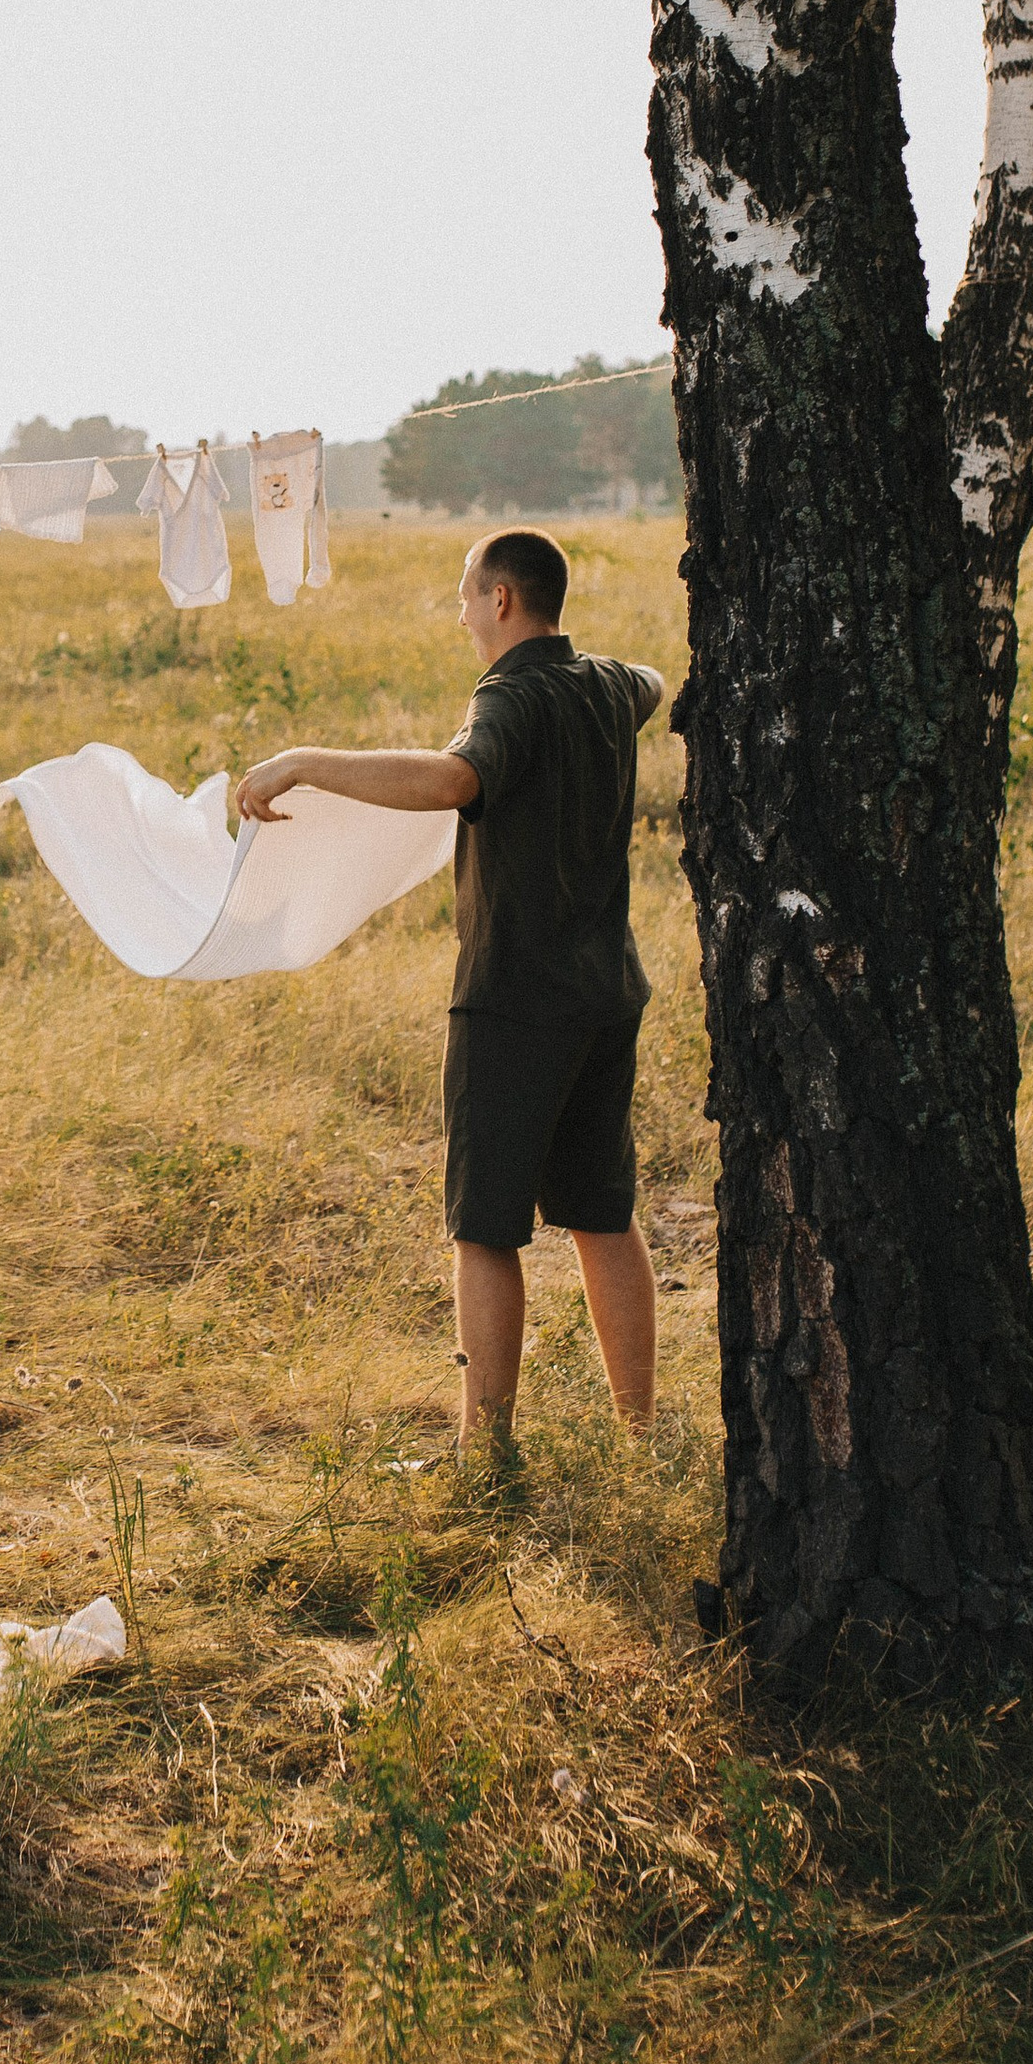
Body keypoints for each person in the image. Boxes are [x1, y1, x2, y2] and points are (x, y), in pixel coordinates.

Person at [232, 528, 663, 1453]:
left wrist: (304, 760)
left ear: (503, 600)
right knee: (602, 1214)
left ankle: (485, 1450)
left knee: (484, 1228)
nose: (461, 611)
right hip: (607, 993)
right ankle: (638, 1433)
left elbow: (454, 778)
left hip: (516, 999)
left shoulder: (508, 697)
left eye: (466, 593)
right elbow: (658, 681)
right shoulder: (611, 686)